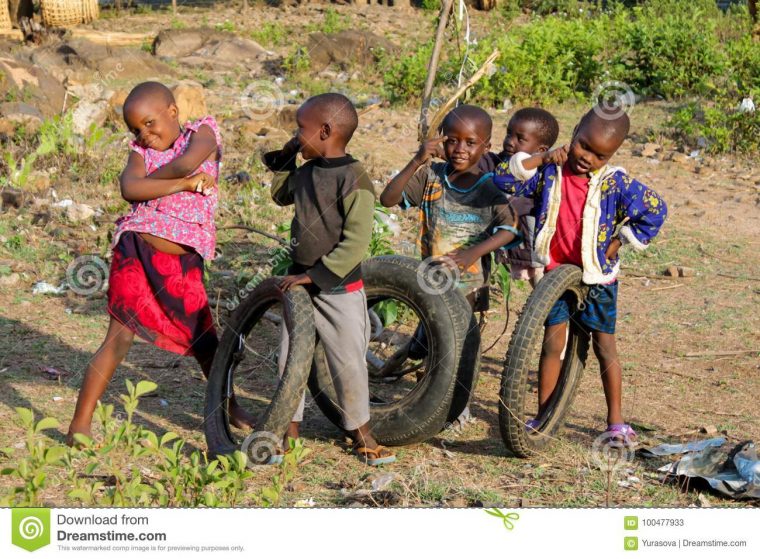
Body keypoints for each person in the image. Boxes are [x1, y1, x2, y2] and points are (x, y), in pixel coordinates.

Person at [67, 81, 253, 445]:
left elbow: (184, 164)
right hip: (135, 249)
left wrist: (149, 183)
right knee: (118, 338)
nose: (145, 134)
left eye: (151, 123)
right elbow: (128, 189)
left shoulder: (203, 133)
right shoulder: (139, 152)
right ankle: (79, 424)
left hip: (181, 262)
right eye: (136, 129)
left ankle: (231, 408)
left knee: (205, 341)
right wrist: (180, 186)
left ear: (173, 111)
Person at [494, 106, 668, 443]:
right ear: (574, 135)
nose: (588, 157)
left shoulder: (615, 183)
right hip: (556, 273)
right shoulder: (551, 172)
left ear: (612, 155)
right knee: (552, 344)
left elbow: (655, 209)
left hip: (597, 278)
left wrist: (619, 241)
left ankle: (615, 421)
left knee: (605, 348)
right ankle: (546, 416)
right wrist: (542, 160)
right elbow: (503, 178)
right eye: (584, 146)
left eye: (600, 155)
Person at [264, 92, 395, 466]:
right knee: (290, 361)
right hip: (299, 286)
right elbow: (279, 195)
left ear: (324, 131)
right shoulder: (305, 173)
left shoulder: (354, 180)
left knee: (348, 363)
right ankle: (285, 435)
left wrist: (314, 277)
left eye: (299, 129)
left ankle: (361, 434)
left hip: (338, 288)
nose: (295, 133)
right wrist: (289, 152)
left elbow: (355, 243)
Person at [381, 104, 521, 421]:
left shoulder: (488, 187)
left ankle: (457, 408)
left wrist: (474, 252)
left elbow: (510, 229)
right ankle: (427, 392)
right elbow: (388, 199)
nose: (459, 149)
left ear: (486, 146)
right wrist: (417, 159)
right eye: (452, 140)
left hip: (468, 284)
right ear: (441, 141)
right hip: (429, 279)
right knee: (433, 341)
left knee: (458, 346)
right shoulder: (431, 176)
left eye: (470, 143)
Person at [480, 108, 560, 287]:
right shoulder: (500, 162)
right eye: (509, 134)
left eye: (520, 139)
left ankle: (550, 313)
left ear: (541, 150)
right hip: (509, 237)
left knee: (541, 283)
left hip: (532, 238)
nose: (510, 142)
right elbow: (477, 161)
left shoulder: (542, 172)